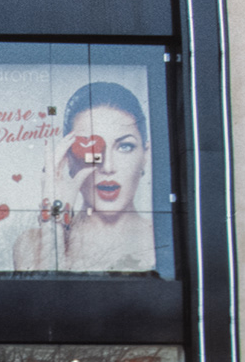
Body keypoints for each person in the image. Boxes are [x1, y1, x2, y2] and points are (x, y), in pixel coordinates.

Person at [14, 81, 156, 273]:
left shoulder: (163, 239)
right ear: (68, 159)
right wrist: (54, 221)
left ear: (145, 155)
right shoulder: (31, 244)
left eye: (124, 147)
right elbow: (45, 290)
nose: (107, 167)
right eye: (91, 150)